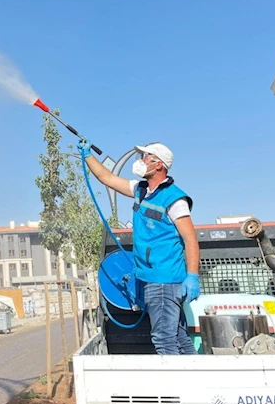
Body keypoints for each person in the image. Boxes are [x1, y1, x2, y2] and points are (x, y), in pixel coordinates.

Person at [78, 140, 200, 355]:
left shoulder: (175, 199)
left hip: (164, 280)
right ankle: (196, 381)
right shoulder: (141, 190)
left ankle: (178, 386)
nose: (141, 161)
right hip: (150, 277)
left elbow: (190, 240)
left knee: (164, 340)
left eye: (146, 157)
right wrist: (88, 156)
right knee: (179, 338)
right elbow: (107, 178)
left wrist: (193, 275)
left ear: (159, 165)